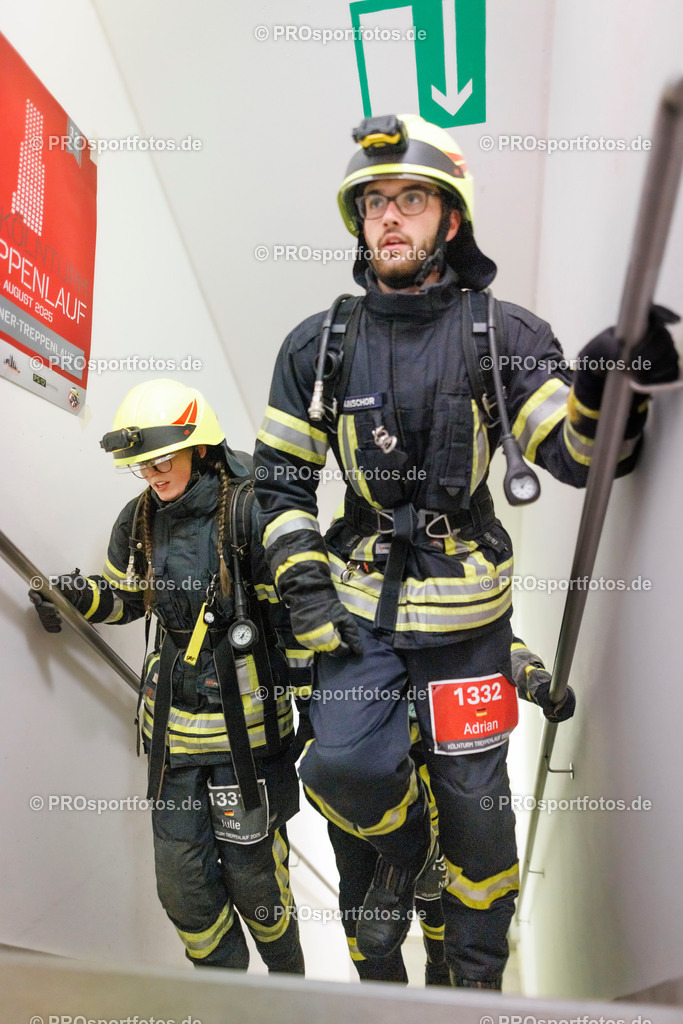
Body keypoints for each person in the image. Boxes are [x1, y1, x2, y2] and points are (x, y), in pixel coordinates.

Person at [253, 111, 679, 990]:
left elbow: (572, 451)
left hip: (470, 630)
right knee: (341, 766)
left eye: (410, 200)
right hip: (355, 617)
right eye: (373, 204)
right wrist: (305, 591)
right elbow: (278, 486)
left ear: (450, 219)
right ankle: (409, 857)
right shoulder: (317, 346)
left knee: (481, 825)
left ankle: (476, 985)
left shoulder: (503, 337)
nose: (389, 220)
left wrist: (609, 376)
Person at [30, 379, 308, 975]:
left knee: (258, 889)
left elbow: (293, 620)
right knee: (185, 892)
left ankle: (291, 999)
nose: (152, 475)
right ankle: (224, 1003)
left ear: (201, 448)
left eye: (161, 461)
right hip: (173, 741)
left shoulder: (252, 508)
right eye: (141, 466)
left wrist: (313, 716)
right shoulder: (138, 520)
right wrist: (79, 597)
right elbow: (127, 599)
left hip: (247, 740)